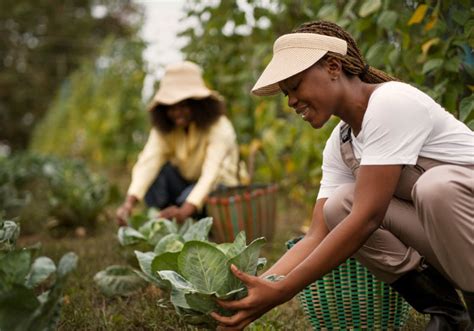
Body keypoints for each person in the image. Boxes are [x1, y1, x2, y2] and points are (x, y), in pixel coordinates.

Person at [211, 21, 474, 330]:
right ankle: (448, 314)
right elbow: (317, 233)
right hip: (456, 247)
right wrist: (257, 287)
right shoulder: (343, 142)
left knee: (434, 188)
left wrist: (283, 291)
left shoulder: (392, 102)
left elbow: (367, 218)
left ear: (333, 66)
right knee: (339, 207)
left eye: (295, 86)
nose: (291, 101)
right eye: (285, 94)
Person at [116, 61, 242, 225]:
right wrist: (129, 203)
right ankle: (166, 219)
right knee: (157, 175)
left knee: (189, 199)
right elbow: (149, 161)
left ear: (198, 105)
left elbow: (211, 175)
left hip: (220, 187)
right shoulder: (166, 129)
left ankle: (189, 219)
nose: (176, 113)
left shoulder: (219, 127)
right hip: (185, 183)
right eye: (171, 107)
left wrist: (185, 210)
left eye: (183, 106)